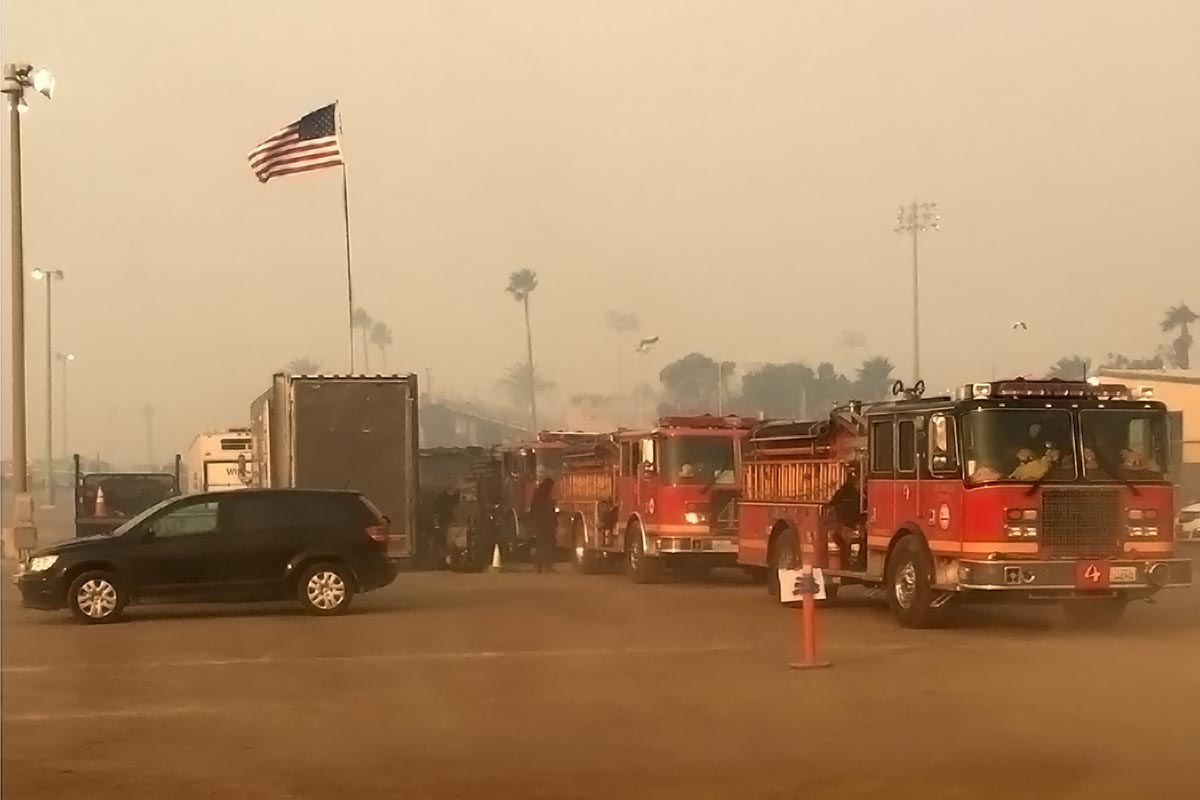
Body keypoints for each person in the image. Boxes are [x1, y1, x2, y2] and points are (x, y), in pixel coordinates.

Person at [529, 478, 558, 574]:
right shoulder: (543, 496)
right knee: (546, 545)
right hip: (545, 524)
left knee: (542, 545)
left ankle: (540, 566)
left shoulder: (539, 494)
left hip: (541, 523)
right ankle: (546, 566)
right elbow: (546, 510)